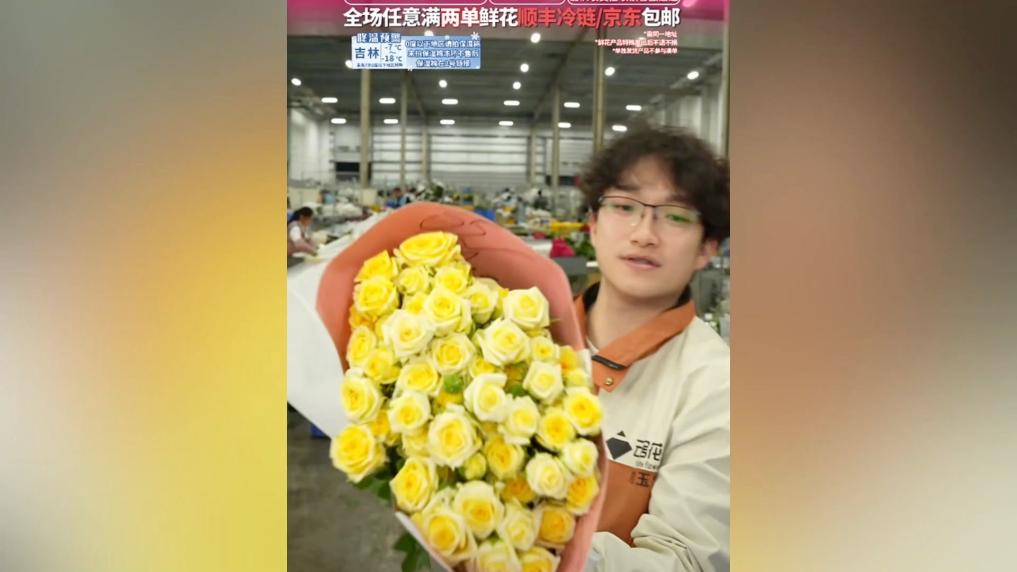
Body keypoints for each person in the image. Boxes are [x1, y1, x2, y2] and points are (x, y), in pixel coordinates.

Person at [577, 126, 730, 571]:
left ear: (706, 248)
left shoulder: (718, 387)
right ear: (592, 225)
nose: (644, 233)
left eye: (676, 216)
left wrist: (538, 553)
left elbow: (686, 560)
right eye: (624, 206)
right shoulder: (522, 336)